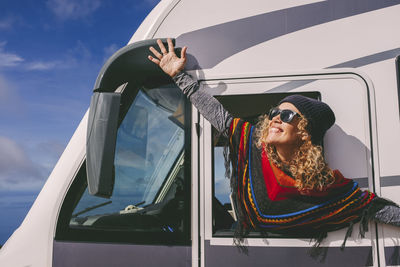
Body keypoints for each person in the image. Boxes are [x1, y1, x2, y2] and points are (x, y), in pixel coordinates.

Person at [148, 39, 399, 250]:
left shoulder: (325, 185)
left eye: (287, 115)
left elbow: (372, 208)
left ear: (304, 133)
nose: (276, 118)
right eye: (274, 112)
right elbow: (220, 118)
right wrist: (178, 76)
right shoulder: (252, 146)